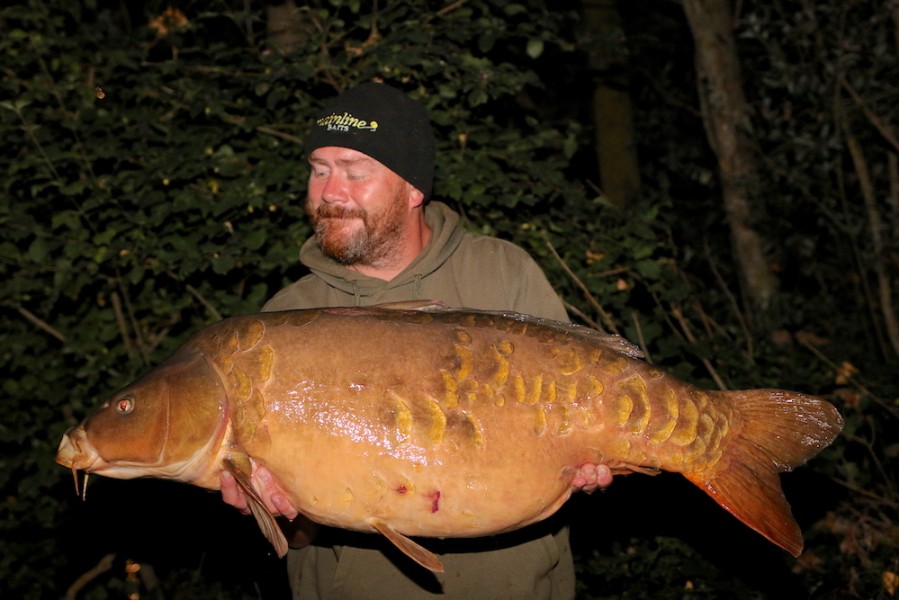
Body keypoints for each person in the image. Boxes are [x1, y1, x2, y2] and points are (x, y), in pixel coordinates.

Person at [220, 81, 613, 599]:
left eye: (355, 172)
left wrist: (589, 456)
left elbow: (582, 413)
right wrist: (271, 504)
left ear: (413, 189)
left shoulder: (500, 273)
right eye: (319, 170)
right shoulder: (284, 321)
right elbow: (302, 531)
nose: (329, 193)